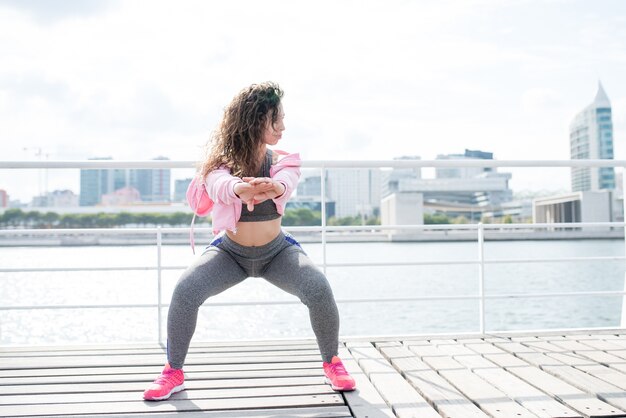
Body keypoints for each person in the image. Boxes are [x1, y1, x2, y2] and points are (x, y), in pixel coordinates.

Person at [143, 82, 356, 401]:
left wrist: (274, 187)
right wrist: (239, 190)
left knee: (318, 289)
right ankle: (173, 371)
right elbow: (217, 184)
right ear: (257, 120)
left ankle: (333, 363)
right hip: (230, 253)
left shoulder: (284, 159)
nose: (283, 126)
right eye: (276, 119)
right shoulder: (222, 162)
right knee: (185, 292)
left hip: (277, 252)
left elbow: (288, 181)